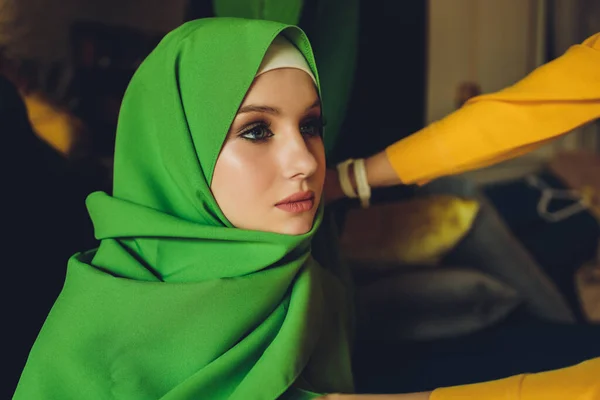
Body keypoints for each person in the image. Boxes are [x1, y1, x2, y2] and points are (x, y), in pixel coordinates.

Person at [13, 18, 598, 400]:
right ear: (177, 150)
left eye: (311, 126)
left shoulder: (304, 278)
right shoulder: (99, 332)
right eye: (256, 131)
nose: (306, 161)